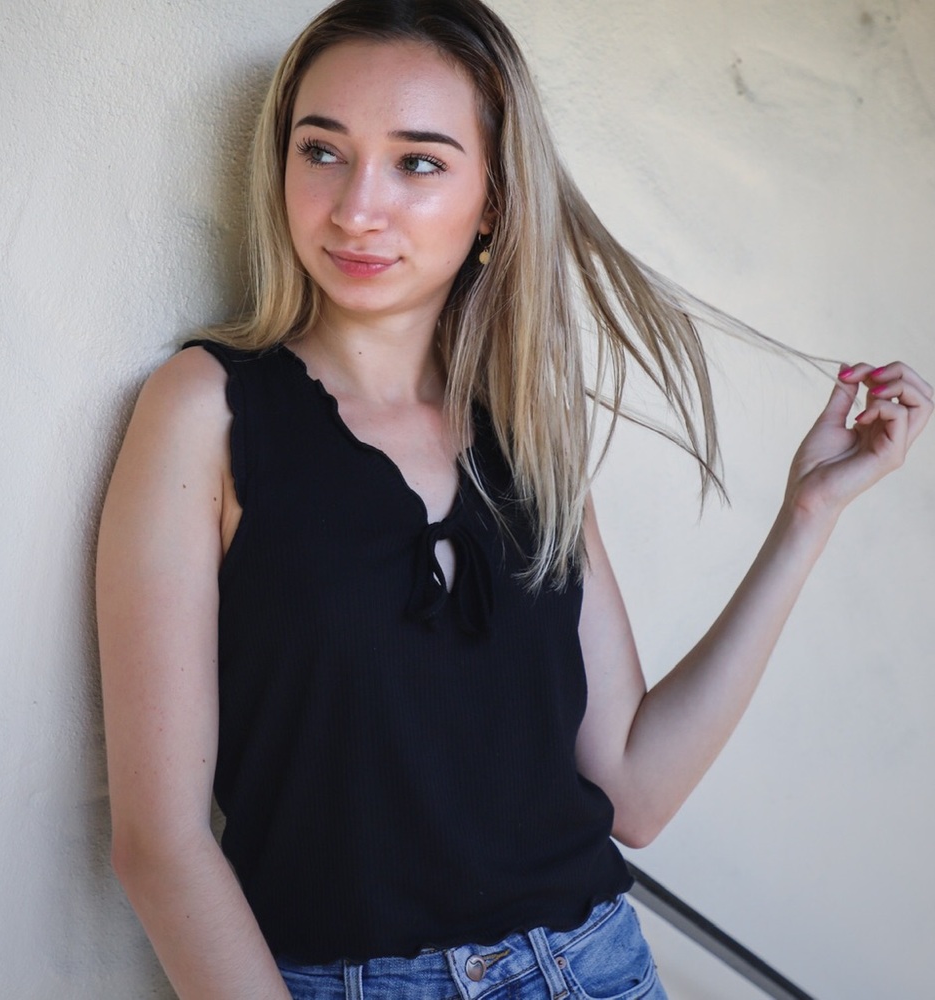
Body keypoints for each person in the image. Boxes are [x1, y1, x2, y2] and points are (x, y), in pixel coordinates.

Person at [95, 1, 932, 998]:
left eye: (418, 161)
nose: (357, 206)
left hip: (596, 966)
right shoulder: (205, 410)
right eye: (322, 150)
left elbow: (635, 790)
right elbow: (160, 845)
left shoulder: (527, 429)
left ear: (492, 198)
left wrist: (807, 516)